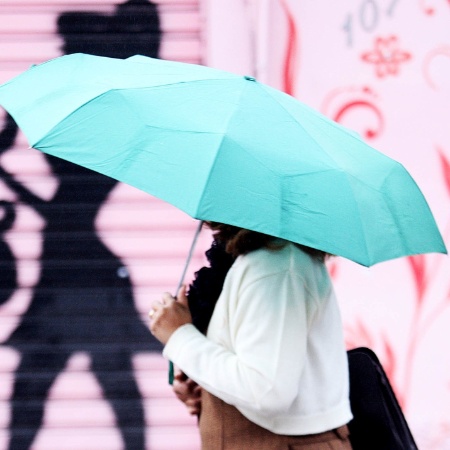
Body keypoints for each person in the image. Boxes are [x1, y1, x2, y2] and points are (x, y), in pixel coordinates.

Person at [149, 222, 353, 449]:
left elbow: (266, 391)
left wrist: (180, 337)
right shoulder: (256, 260)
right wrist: (205, 388)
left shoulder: (274, 266)